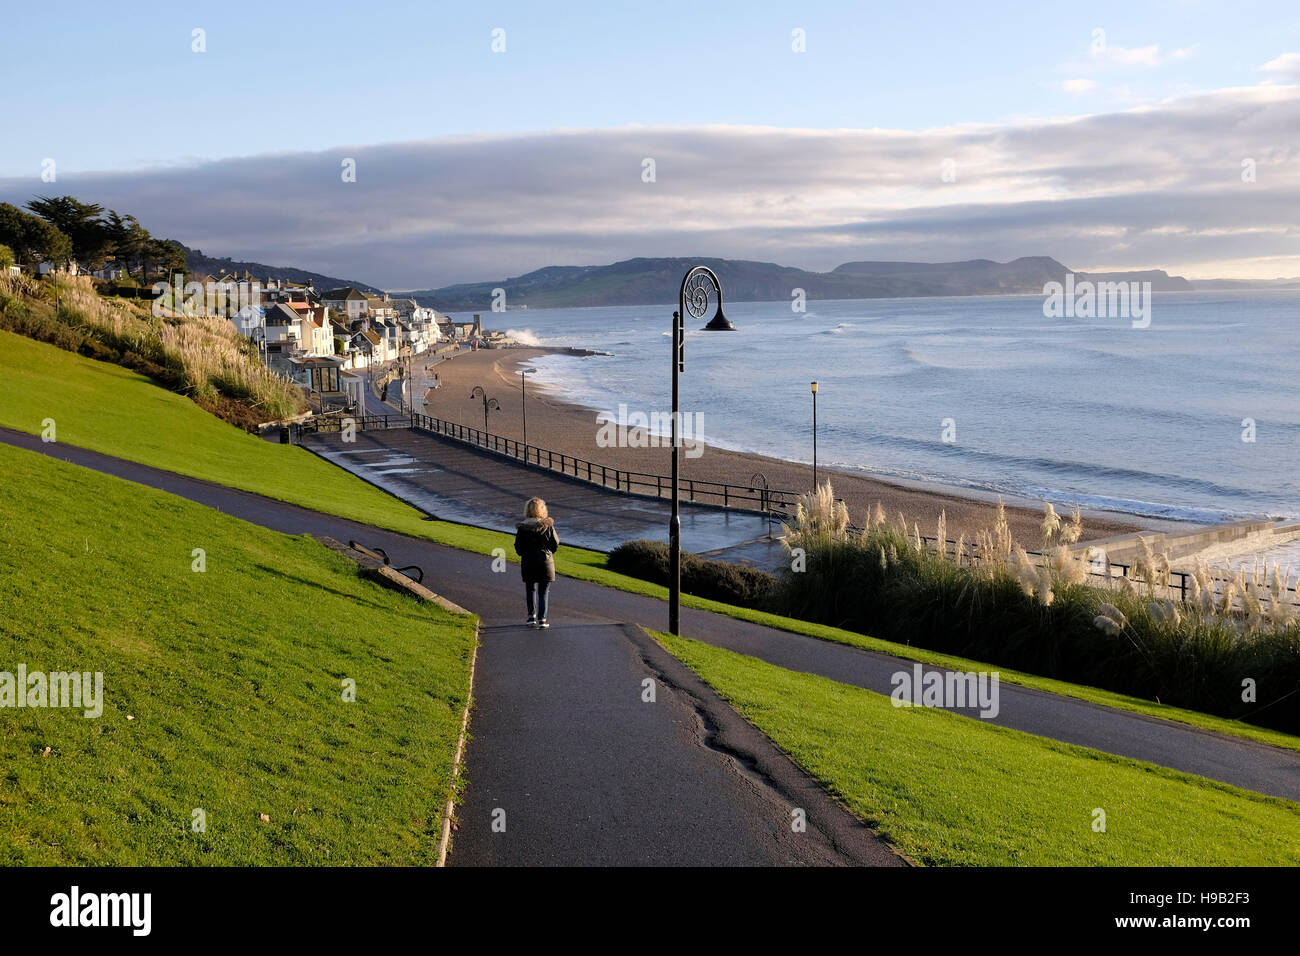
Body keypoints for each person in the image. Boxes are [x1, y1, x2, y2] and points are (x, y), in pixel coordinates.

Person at [514, 497, 560, 628]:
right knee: (543, 592)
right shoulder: (548, 526)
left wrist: (525, 553)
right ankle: (543, 620)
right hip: (546, 562)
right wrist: (548, 552)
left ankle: (531, 617)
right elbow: (555, 543)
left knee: (530, 590)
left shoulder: (522, 528)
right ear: (542, 509)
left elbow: (518, 547)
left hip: (528, 562)